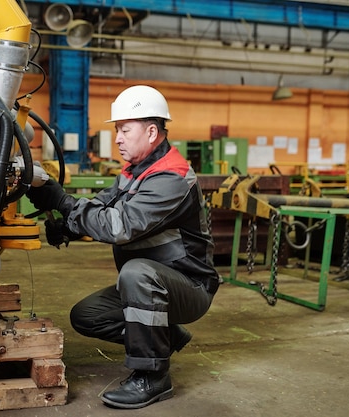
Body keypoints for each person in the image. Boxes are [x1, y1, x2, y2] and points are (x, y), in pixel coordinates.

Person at [26, 85, 220, 409]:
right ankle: (167, 337)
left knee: (136, 273)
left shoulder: (172, 177)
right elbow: (102, 206)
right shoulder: (133, 173)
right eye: (117, 130)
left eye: (124, 130)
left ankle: (153, 377)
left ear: (152, 131)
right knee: (86, 316)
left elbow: (120, 225)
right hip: (157, 284)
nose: (117, 138)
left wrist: (63, 201)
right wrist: (67, 223)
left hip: (189, 285)